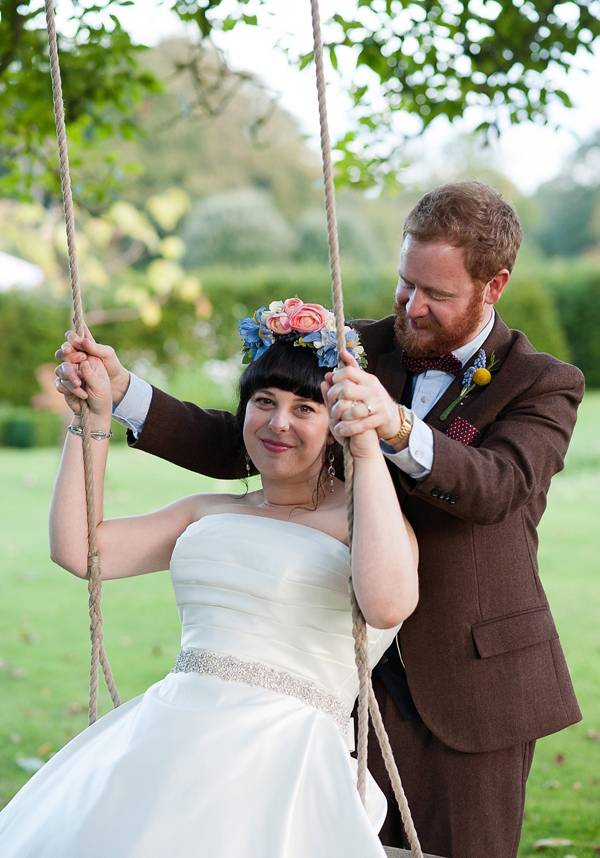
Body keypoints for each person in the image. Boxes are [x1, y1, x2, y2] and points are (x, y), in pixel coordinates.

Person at [54, 180, 585, 858]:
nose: (410, 305)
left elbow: (496, 487)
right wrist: (124, 395)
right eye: (403, 282)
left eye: (435, 294)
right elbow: (251, 442)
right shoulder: (355, 346)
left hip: (469, 678)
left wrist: (393, 425)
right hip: (326, 672)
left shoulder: (542, 381)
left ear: (495, 285)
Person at [0, 303, 419, 858]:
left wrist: (365, 447)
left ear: (337, 419)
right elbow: (81, 549)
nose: (278, 423)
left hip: (283, 759)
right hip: (166, 738)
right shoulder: (207, 510)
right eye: (263, 402)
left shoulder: (366, 521)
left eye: (305, 408)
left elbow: (388, 605)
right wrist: (91, 418)